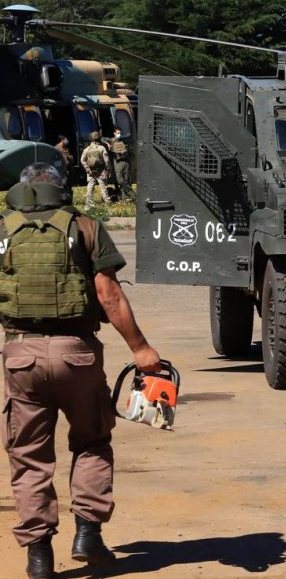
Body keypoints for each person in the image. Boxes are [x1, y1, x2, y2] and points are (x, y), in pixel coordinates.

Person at [0, 163, 162, 578]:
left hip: (20, 354)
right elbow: (109, 296)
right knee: (92, 441)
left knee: (29, 457)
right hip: (78, 354)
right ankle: (87, 534)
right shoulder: (85, 227)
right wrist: (141, 348)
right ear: (61, 190)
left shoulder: (3, 230)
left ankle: (39, 557)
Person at [80, 131, 112, 211]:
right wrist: (108, 169)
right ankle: (108, 204)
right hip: (101, 171)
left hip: (91, 172)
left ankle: (88, 205)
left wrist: (87, 169)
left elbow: (82, 160)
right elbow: (107, 161)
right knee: (103, 187)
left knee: (90, 187)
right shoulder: (101, 148)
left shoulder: (87, 149)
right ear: (99, 138)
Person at [106, 129, 133, 201]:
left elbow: (129, 151)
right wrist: (108, 143)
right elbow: (102, 139)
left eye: (120, 133)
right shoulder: (112, 140)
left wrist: (126, 151)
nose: (119, 135)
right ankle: (132, 193)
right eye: (118, 133)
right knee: (120, 180)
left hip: (125, 162)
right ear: (114, 133)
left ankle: (125, 197)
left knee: (127, 179)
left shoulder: (123, 141)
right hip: (118, 162)